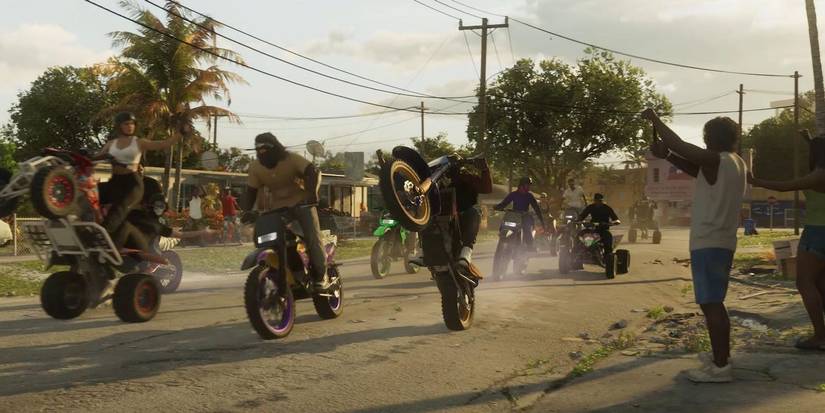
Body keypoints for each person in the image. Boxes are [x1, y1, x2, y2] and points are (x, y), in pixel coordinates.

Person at [643, 108, 747, 383]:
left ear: (709, 139)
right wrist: (666, 155)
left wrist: (655, 120)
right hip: (721, 240)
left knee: (711, 304)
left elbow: (681, 147)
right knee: (714, 303)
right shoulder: (734, 162)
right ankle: (719, 359)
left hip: (709, 241)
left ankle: (721, 367)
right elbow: (696, 168)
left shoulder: (716, 159)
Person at [750, 129, 825, 351]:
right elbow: (817, 146)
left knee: (804, 282)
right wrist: (809, 139)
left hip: (816, 233)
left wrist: (755, 180)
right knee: (820, 284)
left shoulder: (819, 175)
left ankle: (820, 337)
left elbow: (786, 186)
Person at [241, 132, 330, 290]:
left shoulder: (292, 159)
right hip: (277, 209)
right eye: (258, 149)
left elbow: (313, 172)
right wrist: (246, 211)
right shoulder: (255, 167)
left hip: (302, 205)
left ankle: (321, 275)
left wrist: (311, 194)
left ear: (275, 147)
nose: (262, 152)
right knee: (273, 240)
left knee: (312, 238)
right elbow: (251, 191)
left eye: (265, 148)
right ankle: (289, 272)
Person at [95, 112, 181, 251]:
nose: (130, 126)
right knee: (91, 193)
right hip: (114, 181)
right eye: (126, 124)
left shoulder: (139, 142)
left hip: (132, 183)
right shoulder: (111, 144)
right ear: (119, 126)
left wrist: (180, 133)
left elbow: (163, 143)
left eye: (132, 124)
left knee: (119, 208)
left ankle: (102, 236)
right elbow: (95, 157)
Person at [495, 177, 546, 253]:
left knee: (527, 229)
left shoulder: (529, 196)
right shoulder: (513, 194)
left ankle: (530, 246)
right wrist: (497, 207)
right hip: (514, 216)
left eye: (529, 185)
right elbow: (504, 204)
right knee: (505, 223)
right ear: (522, 185)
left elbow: (537, 209)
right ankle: (503, 237)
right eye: (527, 185)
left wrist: (542, 221)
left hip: (525, 216)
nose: (529, 187)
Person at [578, 193, 620, 259]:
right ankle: (576, 255)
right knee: (580, 235)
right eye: (597, 201)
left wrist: (609, 223)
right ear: (594, 201)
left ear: (602, 201)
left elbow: (616, 220)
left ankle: (607, 257)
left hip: (603, 230)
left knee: (608, 237)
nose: (598, 202)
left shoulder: (607, 208)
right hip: (592, 229)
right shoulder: (590, 207)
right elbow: (582, 216)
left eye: (600, 201)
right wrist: (579, 221)